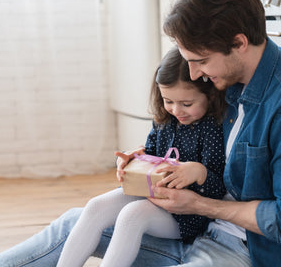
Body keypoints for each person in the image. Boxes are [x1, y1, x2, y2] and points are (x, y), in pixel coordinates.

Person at [0, 0, 281, 267]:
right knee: (76, 221)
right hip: (201, 229)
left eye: (200, 60)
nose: (194, 73)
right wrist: (150, 162)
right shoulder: (233, 81)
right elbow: (199, 150)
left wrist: (199, 205)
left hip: (252, 252)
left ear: (239, 42)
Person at [55, 47, 227, 267]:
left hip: (186, 216)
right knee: (95, 206)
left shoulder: (212, 127)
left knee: (133, 214)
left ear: (210, 96)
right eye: (168, 101)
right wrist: (134, 160)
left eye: (187, 104)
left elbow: (220, 189)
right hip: (152, 194)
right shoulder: (165, 119)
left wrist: (198, 172)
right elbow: (152, 153)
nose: (176, 110)